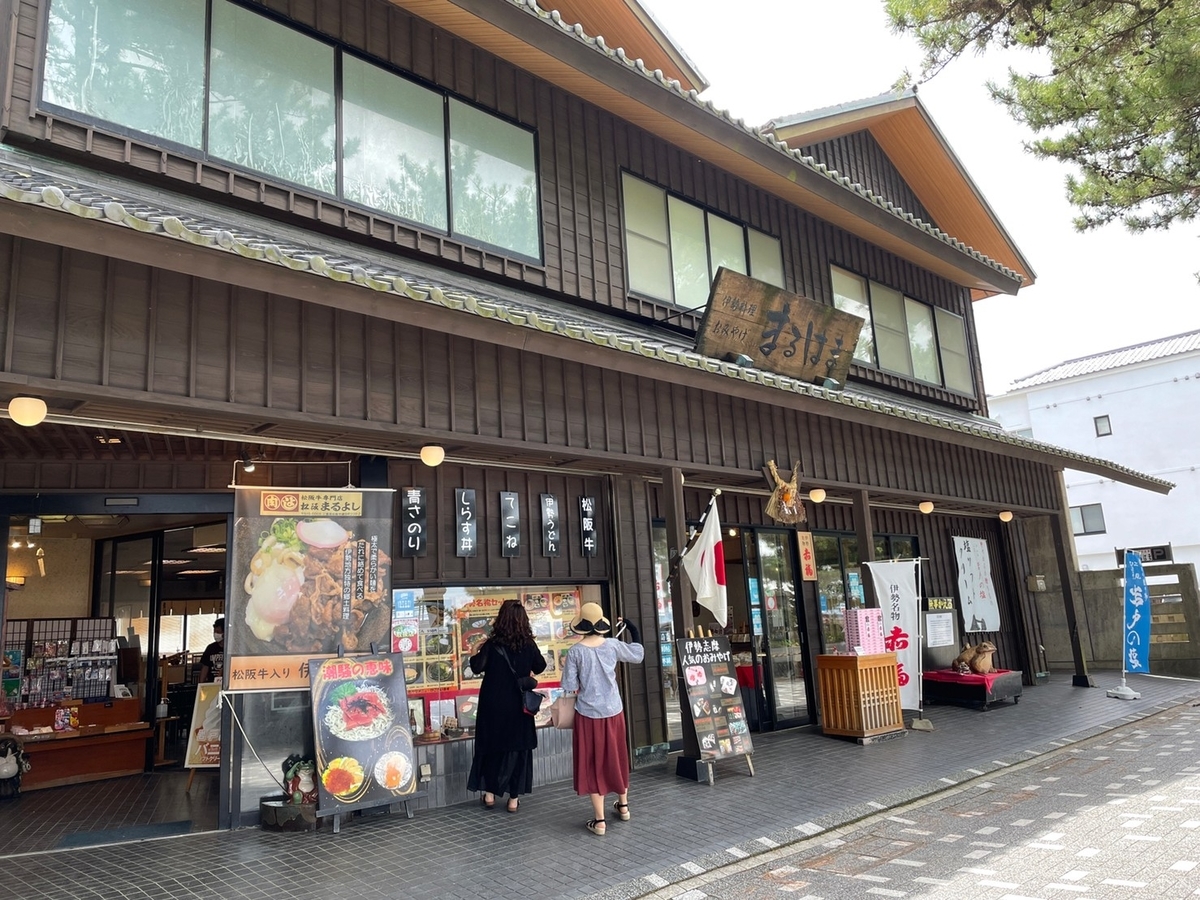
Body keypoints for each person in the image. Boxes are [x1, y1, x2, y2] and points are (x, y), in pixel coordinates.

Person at [561, 602, 644, 836]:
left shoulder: (576, 651)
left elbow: (569, 685)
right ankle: (624, 806)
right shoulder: (613, 645)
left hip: (588, 714)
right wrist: (631, 627)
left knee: (592, 763)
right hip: (614, 711)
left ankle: (600, 821)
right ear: (600, 624)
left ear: (582, 626)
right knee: (617, 756)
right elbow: (638, 654)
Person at [466, 599, 547, 812]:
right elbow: (541, 666)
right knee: (517, 750)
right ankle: (512, 800)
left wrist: (474, 649)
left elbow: (476, 667)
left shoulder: (493, 645)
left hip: (493, 705)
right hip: (519, 707)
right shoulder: (528, 644)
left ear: (501, 619)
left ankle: (490, 795)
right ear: (524, 621)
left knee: (492, 747)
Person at [198, 618, 224, 684]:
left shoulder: (231, 649)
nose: (215, 634)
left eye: (218, 632)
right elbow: (205, 667)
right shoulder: (210, 648)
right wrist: (201, 684)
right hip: (211, 684)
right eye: (214, 632)